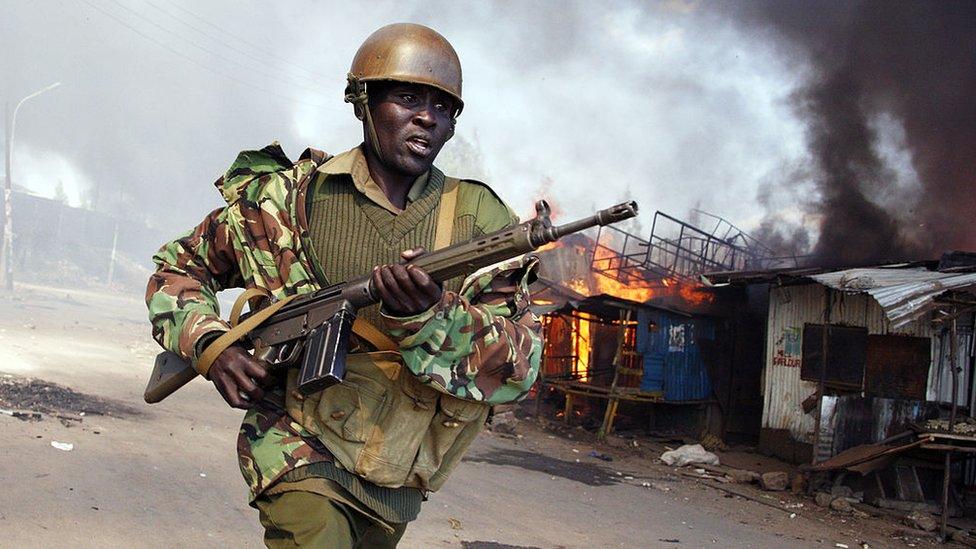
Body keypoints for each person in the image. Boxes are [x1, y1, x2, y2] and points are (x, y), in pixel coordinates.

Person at [146, 23, 542, 547]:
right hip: (293, 445)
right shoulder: (288, 201)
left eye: (444, 107)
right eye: (407, 98)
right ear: (361, 101)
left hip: (396, 467)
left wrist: (431, 318)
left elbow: (519, 364)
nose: (428, 116)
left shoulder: (479, 220)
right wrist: (209, 346)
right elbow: (178, 268)